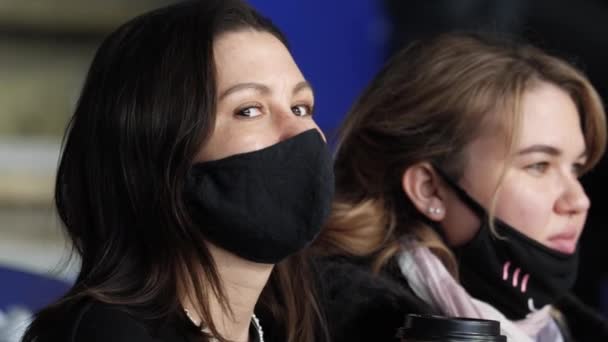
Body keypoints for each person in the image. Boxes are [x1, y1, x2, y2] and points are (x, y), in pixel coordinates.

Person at [21, 1, 334, 341]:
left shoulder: (286, 327)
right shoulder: (109, 335)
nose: (300, 131)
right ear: (158, 150)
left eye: (301, 107)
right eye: (248, 110)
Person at [313, 32, 607, 341]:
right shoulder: (342, 323)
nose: (578, 200)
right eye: (538, 166)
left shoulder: (570, 330)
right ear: (429, 189)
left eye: (575, 167)